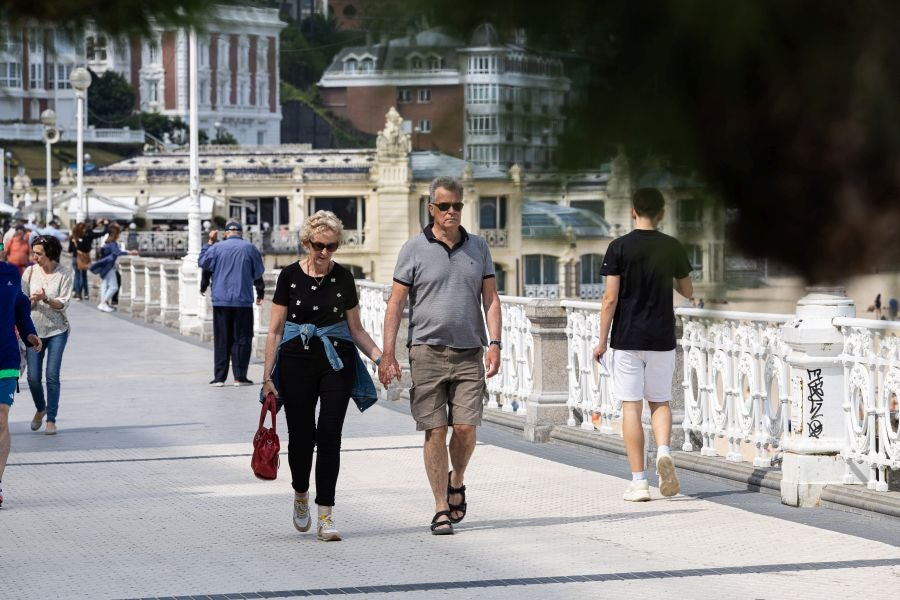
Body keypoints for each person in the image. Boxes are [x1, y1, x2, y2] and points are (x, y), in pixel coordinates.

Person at [379, 176, 502, 535]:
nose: (452, 212)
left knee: (465, 428)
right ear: (431, 208)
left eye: (458, 206)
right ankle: (440, 508)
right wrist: (388, 354)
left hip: (469, 352)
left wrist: (495, 343)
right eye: (444, 206)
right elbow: (396, 303)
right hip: (426, 352)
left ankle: (457, 479)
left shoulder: (478, 247)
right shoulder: (413, 249)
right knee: (434, 431)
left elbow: (490, 299)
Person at [261, 210, 382, 541]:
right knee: (301, 436)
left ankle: (326, 514)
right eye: (319, 245)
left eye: (332, 246)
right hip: (295, 361)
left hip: (335, 362)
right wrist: (267, 375)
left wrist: (381, 358)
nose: (325, 253)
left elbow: (356, 329)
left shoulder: (343, 278)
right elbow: (274, 331)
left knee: (330, 436)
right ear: (306, 243)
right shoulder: (289, 277)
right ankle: (300, 493)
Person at [592, 187, 693, 502]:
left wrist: (601, 340)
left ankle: (639, 482)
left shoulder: (618, 247)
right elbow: (688, 290)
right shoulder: (672, 246)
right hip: (662, 337)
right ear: (661, 213)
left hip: (627, 337)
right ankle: (664, 451)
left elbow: (610, 299)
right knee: (660, 402)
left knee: (631, 407)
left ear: (632, 211)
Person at [0, 241, 42, 507]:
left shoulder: (10, 274)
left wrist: (29, 333)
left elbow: (19, 308)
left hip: (4, 357)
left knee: (1, 420)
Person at [198, 219, 265, 386]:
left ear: (226, 234)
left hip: (221, 300)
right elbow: (257, 273)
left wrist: (209, 243)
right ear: (241, 233)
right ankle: (240, 377)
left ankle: (219, 378)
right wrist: (260, 292)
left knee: (222, 338)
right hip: (242, 300)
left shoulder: (216, 248)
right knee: (242, 338)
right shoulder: (250, 248)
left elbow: (203, 263)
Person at [21, 235, 72, 436]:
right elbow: (21, 303)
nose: (34, 257)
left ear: (50, 254)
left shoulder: (64, 274)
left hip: (58, 330)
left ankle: (51, 419)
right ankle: (40, 408)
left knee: (52, 375)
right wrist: (32, 302)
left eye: (38, 253)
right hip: (34, 332)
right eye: (33, 252)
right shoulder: (30, 272)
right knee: (33, 378)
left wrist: (46, 298)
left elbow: (63, 304)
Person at [89, 223, 133, 313]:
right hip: (109, 267)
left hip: (105, 267)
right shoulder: (113, 243)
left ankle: (103, 303)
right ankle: (103, 303)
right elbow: (117, 252)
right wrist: (129, 253)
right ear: (116, 234)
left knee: (105, 285)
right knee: (114, 287)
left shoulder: (107, 242)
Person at [69, 220, 109, 301]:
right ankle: (86, 294)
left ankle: (78, 294)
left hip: (75, 258)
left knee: (77, 276)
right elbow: (102, 233)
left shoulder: (72, 237)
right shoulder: (87, 236)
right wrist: (106, 225)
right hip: (84, 258)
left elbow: (69, 250)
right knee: (84, 276)